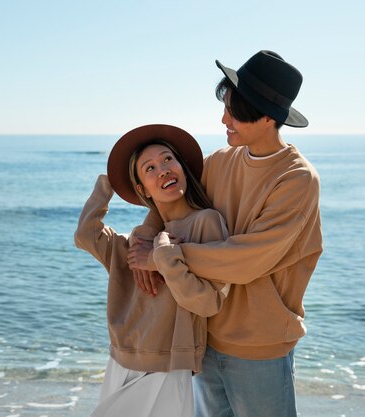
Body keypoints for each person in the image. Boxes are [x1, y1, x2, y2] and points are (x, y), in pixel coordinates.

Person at [128, 50, 323, 417]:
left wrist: (161, 258)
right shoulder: (219, 161)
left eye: (234, 112)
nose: (224, 119)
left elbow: (245, 260)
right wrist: (145, 237)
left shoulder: (296, 179)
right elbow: (171, 202)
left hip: (259, 345)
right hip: (204, 334)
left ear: (267, 117)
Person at [74, 124, 231, 417]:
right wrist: (109, 182)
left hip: (169, 366)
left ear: (183, 167)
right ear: (141, 189)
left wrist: (162, 258)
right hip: (121, 361)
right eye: (150, 168)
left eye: (168, 159)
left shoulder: (205, 223)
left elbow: (207, 302)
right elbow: (85, 235)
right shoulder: (134, 243)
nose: (163, 170)